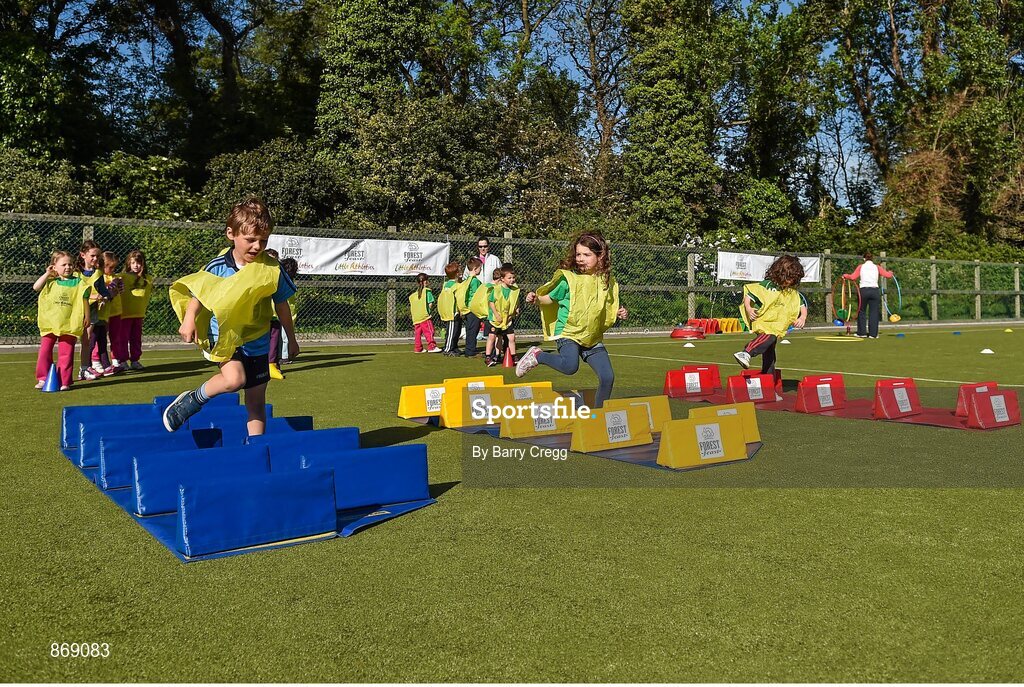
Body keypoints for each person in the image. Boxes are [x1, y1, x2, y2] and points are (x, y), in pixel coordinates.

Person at [163, 197, 298, 435]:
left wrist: (292, 339)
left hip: (257, 339)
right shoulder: (218, 266)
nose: (257, 246)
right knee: (234, 379)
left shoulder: (272, 269)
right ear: (231, 234)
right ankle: (194, 399)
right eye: (250, 240)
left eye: (263, 240)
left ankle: (256, 449)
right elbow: (200, 293)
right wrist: (189, 318)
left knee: (256, 402)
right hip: (225, 335)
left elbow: (282, 305)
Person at [515, 232, 627, 408]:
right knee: (569, 366)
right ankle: (538, 355)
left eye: (587, 254)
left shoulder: (606, 280)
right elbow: (549, 299)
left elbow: (608, 304)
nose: (581, 258)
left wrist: (618, 312)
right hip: (569, 331)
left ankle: (598, 415)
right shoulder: (569, 279)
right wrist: (536, 299)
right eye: (578, 254)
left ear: (600, 256)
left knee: (607, 377)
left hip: (591, 336)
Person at [734, 254, 807, 376]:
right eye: (789, 278)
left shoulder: (791, 292)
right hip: (763, 320)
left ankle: (768, 379)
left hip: (777, 324)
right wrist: (749, 308)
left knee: (770, 351)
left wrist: (802, 317)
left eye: (793, 279)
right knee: (770, 337)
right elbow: (750, 295)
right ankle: (747, 352)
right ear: (780, 273)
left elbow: (801, 303)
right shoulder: (767, 285)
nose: (790, 282)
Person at [33, 251, 92, 390]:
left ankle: (64, 381)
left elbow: (85, 300)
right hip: (50, 323)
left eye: (70, 264)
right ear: (54, 266)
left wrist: (87, 316)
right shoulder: (50, 281)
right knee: (45, 350)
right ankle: (43, 378)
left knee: (66, 352)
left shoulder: (79, 283)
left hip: (69, 323)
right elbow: (36, 287)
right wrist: (47, 273)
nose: (68, 267)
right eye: (63, 264)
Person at [75, 240, 112, 380]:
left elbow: (103, 290)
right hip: (77, 310)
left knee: (87, 339)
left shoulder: (98, 273)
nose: (95, 258)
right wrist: (93, 295)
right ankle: (66, 368)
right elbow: (75, 291)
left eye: (97, 256)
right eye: (92, 255)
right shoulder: (76, 273)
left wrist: (106, 297)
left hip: (92, 311)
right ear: (83, 255)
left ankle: (84, 368)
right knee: (72, 341)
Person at [843, 252, 894, 339]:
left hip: (863, 291)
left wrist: (845, 275)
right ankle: (873, 334)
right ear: (872, 259)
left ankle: (861, 332)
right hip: (874, 291)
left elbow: (853, 277)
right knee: (874, 312)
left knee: (861, 311)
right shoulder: (877, 267)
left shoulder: (861, 267)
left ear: (864, 259)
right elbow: (888, 275)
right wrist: (891, 272)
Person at [118, 250, 153, 369]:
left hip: (138, 314)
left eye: (138, 263)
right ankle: (122, 360)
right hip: (124, 315)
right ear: (128, 263)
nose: (135, 265)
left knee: (136, 339)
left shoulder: (147, 279)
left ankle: (135, 360)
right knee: (123, 338)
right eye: (133, 263)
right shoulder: (122, 277)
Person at [464, 236, 502, 341]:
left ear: (488, 247)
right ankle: (471, 347)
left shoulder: (495, 259)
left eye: (485, 246)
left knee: (491, 322)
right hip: (477, 297)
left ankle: (492, 348)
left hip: (491, 294)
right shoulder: (473, 260)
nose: (483, 249)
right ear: (477, 247)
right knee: (474, 322)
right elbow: (466, 278)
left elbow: (500, 275)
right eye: (480, 246)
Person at [93, 251, 123, 374]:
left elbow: (120, 291)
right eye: (109, 267)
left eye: (114, 267)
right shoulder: (100, 277)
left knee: (115, 337)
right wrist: (113, 284)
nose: (112, 269)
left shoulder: (115, 276)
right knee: (99, 337)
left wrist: (119, 284)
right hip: (104, 313)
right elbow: (107, 292)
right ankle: (96, 360)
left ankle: (116, 359)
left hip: (116, 311)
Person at [485, 264, 520, 367]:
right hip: (495, 319)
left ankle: (513, 356)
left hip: (507, 319)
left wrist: (516, 309)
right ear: (502, 279)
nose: (512, 280)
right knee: (492, 337)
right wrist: (496, 314)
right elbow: (491, 302)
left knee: (511, 337)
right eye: (509, 278)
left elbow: (515, 302)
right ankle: (488, 357)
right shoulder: (496, 289)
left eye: (513, 277)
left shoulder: (514, 290)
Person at [461, 257, 490, 357]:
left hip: (468, 309)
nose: (481, 270)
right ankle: (470, 351)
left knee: (470, 329)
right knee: (473, 329)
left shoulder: (466, 280)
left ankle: (469, 349)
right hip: (474, 309)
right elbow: (479, 293)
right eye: (480, 268)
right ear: (475, 269)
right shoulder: (475, 281)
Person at [409, 272, 441, 353]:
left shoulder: (413, 295)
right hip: (424, 316)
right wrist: (429, 312)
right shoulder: (427, 291)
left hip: (416, 318)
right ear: (426, 282)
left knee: (417, 334)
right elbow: (430, 303)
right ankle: (432, 346)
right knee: (429, 331)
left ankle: (418, 348)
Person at [437, 261, 462, 356]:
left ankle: (454, 347)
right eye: (459, 271)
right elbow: (458, 299)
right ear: (456, 274)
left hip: (450, 311)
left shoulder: (446, 284)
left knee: (456, 330)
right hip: (453, 312)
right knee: (451, 331)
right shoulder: (456, 286)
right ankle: (448, 348)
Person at [277, 257, 299, 367]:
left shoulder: (285, 281)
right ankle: (283, 355)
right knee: (283, 336)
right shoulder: (287, 281)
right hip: (285, 313)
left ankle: (284, 356)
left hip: (285, 313)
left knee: (283, 336)